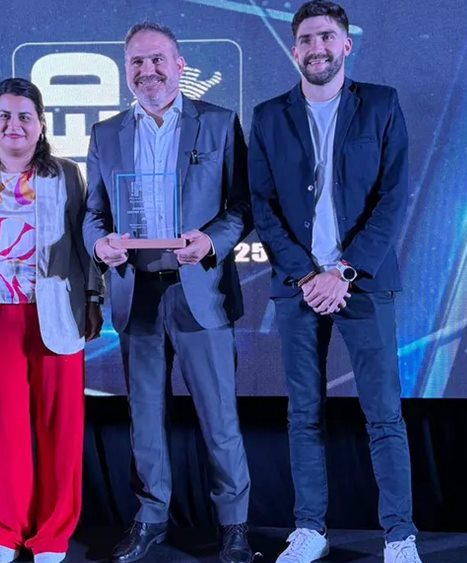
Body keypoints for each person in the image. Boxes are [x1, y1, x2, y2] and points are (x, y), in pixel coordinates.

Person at [248, 2, 422, 562]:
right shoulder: (268, 116)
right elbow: (262, 205)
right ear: (294, 49)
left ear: (346, 45)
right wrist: (307, 274)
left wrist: (343, 272)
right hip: (299, 287)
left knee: (384, 414)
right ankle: (310, 530)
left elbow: (392, 197)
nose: (316, 47)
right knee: (303, 414)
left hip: (362, 283)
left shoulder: (381, 104)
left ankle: (399, 536)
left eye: (327, 36)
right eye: (306, 38)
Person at [83, 21, 254, 563]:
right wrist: (99, 244)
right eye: (136, 62)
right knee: (145, 418)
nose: (147, 70)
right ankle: (151, 517)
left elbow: (243, 206)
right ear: (125, 70)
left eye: (157, 59)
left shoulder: (218, 123)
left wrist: (212, 240)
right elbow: (93, 214)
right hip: (137, 293)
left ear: (180, 65)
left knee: (219, 418)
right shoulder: (106, 133)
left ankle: (233, 525)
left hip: (199, 291)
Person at [0, 77, 104, 563]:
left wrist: (94, 298)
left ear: (41, 125)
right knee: (2, 430)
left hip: (55, 312)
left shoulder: (66, 176)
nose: (14, 125)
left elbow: (84, 244)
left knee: (61, 427)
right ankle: (5, 530)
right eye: (5, 116)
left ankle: (53, 534)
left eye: (25, 116)